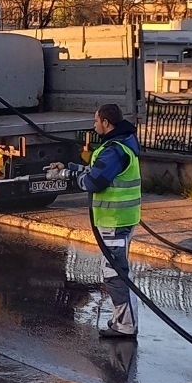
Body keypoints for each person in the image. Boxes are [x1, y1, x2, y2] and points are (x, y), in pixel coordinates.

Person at [48, 103, 141, 339]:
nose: (94, 125)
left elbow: (94, 182)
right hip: (119, 220)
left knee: (114, 273)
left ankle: (125, 325)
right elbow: (96, 171)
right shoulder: (118, 145)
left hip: (115, 221)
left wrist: (67, 176)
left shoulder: (114, 150)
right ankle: (125, 321)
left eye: (96, 121)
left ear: (106, 123)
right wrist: (68, 167)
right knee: (118, 271)